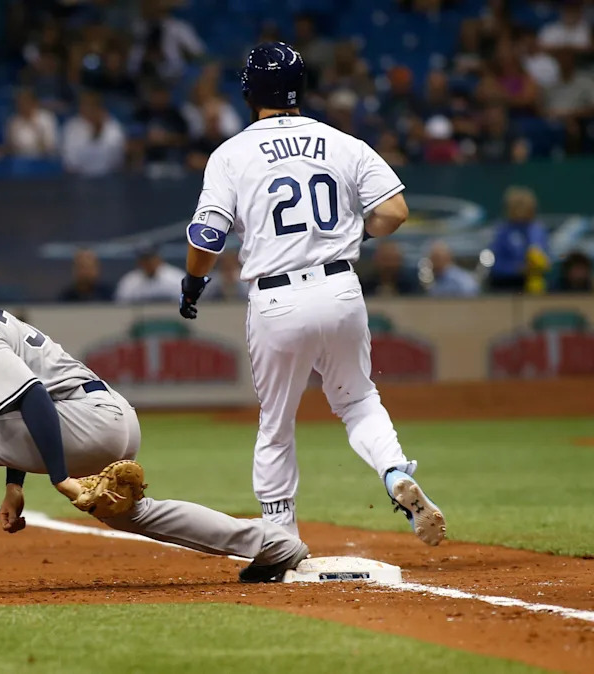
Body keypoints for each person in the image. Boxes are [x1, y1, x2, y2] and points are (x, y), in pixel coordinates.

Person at [0, 241, 311, 599]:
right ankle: (271, 544)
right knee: (131, 513)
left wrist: (63, 478)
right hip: (107, 415)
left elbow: (34, 399)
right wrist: (14, 485)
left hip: (85, 418)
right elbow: (12, 407)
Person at [178, 42, 445, 545]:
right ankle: (393, 473)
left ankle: (280, 536)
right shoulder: (342, 142)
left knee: (277, 424)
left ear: (250, 91)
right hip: (342, 287)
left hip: (277, 299)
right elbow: (395, 212)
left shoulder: (231, 153)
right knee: (359, 400)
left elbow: (206, 237)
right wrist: (352, 235)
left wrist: (194, 283)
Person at [488, 186, 550, 293]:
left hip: (534, 284)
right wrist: (517, 269)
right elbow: (495, 264)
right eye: (517, 205)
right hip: (506, 285)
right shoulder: (502, 231)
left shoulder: (538, 230)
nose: (521, 210)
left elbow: (547, 257)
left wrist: (541, 264)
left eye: (525, 205)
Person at [60, 91, 125, 177]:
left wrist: (99, 131)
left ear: (99, 107)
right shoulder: (71, 127)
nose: (89, 109)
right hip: (79, 179)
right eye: (85, 105)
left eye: (92, 105)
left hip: (109, 177)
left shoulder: (112, 126)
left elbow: (117, 159)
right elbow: (71, 162)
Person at [114, 244, 185, 303]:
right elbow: (121, 306)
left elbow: (187, 303)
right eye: (144, 259)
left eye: (150, 258)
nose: (148, 262)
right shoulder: (129, 281)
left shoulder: (176, 278)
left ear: (158, 258)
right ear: (139, 262)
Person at [5, 88, 58, 159]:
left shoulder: (47, 118)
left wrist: (35, 128)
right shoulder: (13, 121)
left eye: (26, 102)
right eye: (20, 103)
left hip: (43, 160)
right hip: (20, 160)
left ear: (34, 103)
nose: (23, 106)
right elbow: (10, 147)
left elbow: (50, 147)